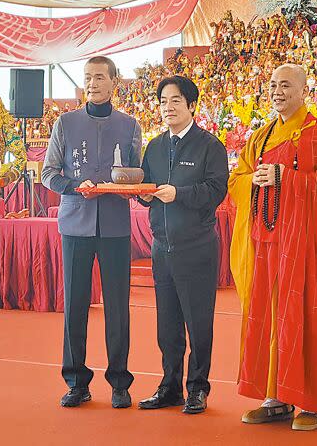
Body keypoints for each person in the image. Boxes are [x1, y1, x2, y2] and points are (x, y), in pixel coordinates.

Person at [228, 64, 317, 431]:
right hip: (267, 247)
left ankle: (315, 404)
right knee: (271, 319)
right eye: (272, 85)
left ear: (303, 92)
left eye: (285, 85)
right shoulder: (262, 137)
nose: (277, 91)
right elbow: (236, 178)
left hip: (307, 249)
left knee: (310, 319)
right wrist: (254, 179)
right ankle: (276, 398)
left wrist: (289, 179)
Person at [42, 56, 142, 409]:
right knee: (75, 305)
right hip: (75, 224)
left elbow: (136, 173)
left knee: (118, 307)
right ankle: (76, 381)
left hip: (114, 225)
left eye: (100, 77)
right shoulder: (65, 124)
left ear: (115, 81)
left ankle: (119, 381)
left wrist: (132, 185)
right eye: (88, 77)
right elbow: (48, 173)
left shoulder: (129, 125)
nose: (93, 83)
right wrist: (73, 185)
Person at [137, 75, 229, 414]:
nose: (168, 107)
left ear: (192, 105)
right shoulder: (156, 146)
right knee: (168, 325)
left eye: (175, 100)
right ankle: (170, 386)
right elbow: (146, 186)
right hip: (162, 247)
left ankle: (198, 388)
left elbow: (216, 191)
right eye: (163, 101)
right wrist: (145, 195)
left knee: (198, 322)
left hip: (197, 247)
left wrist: (181, 194)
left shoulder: (210, 146)